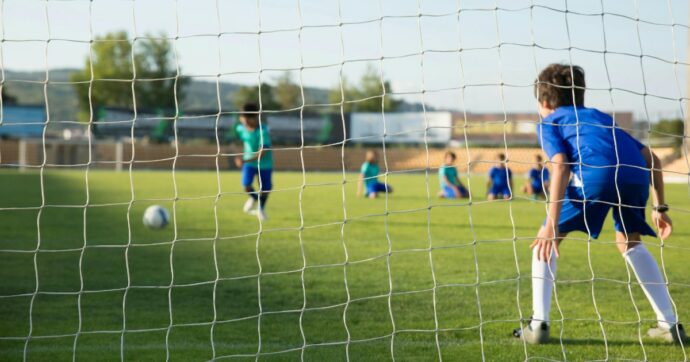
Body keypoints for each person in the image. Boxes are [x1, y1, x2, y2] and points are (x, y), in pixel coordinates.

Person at [514, 63, 685, 344]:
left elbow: (560, 164)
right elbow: (652, 158)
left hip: (598, 176)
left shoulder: (549, 122)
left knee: (546, 239)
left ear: (543, 102)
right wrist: (660, 208)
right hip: (633, 176)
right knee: (631, 242)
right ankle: (670, 324)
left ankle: (539, 324)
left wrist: (550, 224)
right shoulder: (600, 117)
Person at [234, 103, 272, 221]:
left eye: (245, 119)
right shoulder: (240, 128)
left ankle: (261, 208)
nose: (243, 121)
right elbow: (240, 140)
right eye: (241, 118)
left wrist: (244, 160)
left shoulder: (262, 130)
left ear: (254, 118)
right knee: (246, 185)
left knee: (265, 188)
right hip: (250, 163)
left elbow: (263, 152)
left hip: (264, 163)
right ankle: (255, 198)